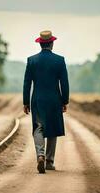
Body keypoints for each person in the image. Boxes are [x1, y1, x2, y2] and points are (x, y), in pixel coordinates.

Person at [23, 30, 69, 174]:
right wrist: (64, 101)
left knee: (38, 128)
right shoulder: (59, 60)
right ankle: (49, 161)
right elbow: (65, 83)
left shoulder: (32, 60)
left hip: (37, 100)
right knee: (53, 129)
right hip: (54, 100)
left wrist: (26, 102)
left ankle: (40, 155)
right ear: (52, 43)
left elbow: (27, 83)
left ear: (40, 44)